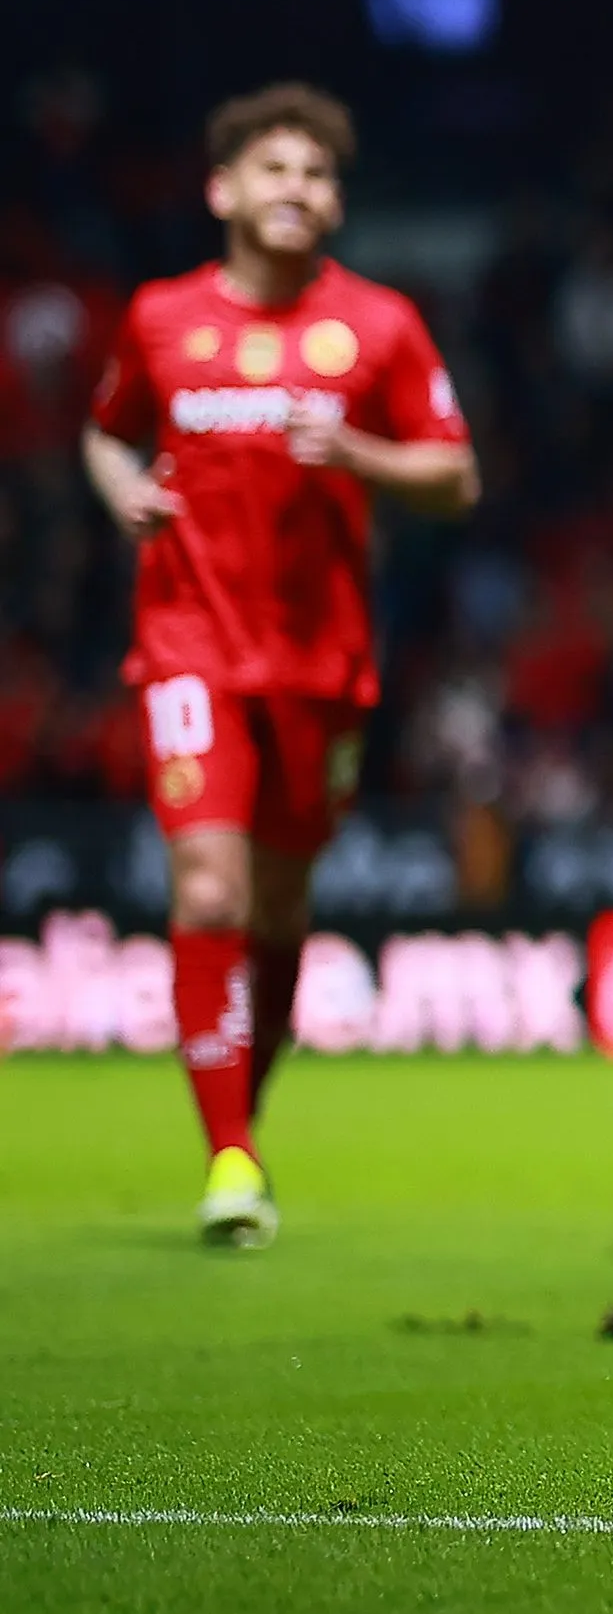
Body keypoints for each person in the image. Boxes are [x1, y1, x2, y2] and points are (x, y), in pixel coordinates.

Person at [83, 83, 479, 1248]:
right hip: (190, 647)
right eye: (274, 170)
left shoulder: (383, 328)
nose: (296, 189)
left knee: (282, 912)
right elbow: (107, 430)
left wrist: (358, 451)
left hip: (320, 662)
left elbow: (456, 477)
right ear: (223, 192)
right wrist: (123, 495)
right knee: (210, 890)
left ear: (337, 204)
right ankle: (230, 1157)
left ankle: (238, 1119)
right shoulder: (159, 320)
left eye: (315, 174)